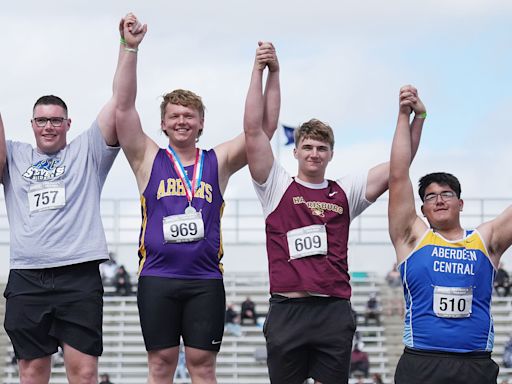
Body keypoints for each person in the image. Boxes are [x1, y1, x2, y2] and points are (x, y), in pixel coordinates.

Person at [115, 15, 280, 383]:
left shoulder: (216, 161)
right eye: (174, 116)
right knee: (160, 365)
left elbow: (262, 130)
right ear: (163, 124)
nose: (181, 121)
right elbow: (123, 109)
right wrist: (129, 48)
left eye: (189, 116)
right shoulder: (147, 158)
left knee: (203, 368)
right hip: (157, 277)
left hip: (204, 280)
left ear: (201, 122)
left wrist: (267, 74)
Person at [244, 75, 423, 382]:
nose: (315, 153)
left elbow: (398, 167)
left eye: (322, 148)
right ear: (296, 152)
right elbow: (252, 131)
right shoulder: (276, 186)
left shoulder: (344, 191)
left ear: (331, 154)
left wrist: (412, 116)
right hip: (288, 310)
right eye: (308, 147)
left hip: (333, 312)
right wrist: (262, 70)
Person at [0, 15, 129, 384]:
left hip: (78, 275)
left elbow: (121, 101)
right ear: (31, 124)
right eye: (41, 120)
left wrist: (128, 47)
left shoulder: (87, 152)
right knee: (32, 370)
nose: (49, 126)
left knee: (85, 373)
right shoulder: (15, 155)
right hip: (27, 275)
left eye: (56, 120)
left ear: (68, 124)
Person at [388, 85, 512, 383]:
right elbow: (397, 174)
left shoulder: (486, 240)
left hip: (474, 364)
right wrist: (407, 116)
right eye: (431, 197)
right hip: (422, 362)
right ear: (423, 208)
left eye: (446, 194)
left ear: (460, 203)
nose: (440, 200)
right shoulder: (412, 237)